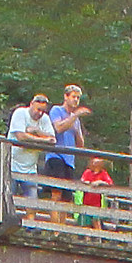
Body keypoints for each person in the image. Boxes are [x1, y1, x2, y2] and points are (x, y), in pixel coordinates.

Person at [43, 83, 91, 216]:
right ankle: (55, 229)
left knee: (66, 197)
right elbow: (58, 128)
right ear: (66, 96)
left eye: (78, 98)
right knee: (56, 193)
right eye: (73, 97)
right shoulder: (56, 110)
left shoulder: (75, 120)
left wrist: (77, 129)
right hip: (56, 156)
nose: (76, 100)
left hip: (70, 160)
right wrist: (74, 116)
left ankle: (63, 230)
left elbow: (80, 145)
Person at [7, 93, 57, 216]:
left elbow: (52, 139)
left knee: (32, 200)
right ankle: (5, 221)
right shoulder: (20, 113)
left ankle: (31, 226)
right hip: (11, 164)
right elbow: (21, 136)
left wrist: (35, 131)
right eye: (38, 109)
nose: (39, 113)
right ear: (31, 104)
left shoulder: (44, 119)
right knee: (8, 197)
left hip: (30, 168)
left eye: (42, 111)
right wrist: (42, 139)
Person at [78, 153, 113, 228]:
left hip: (96, 204)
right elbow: (82, 180)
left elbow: (109, 183)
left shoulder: (103, 173)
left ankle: (98, 238)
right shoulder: (87, 172)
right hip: (86, 202)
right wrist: (86, 183)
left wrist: (100, 182)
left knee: (96, 221)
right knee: (86, 222)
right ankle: (87, 239)